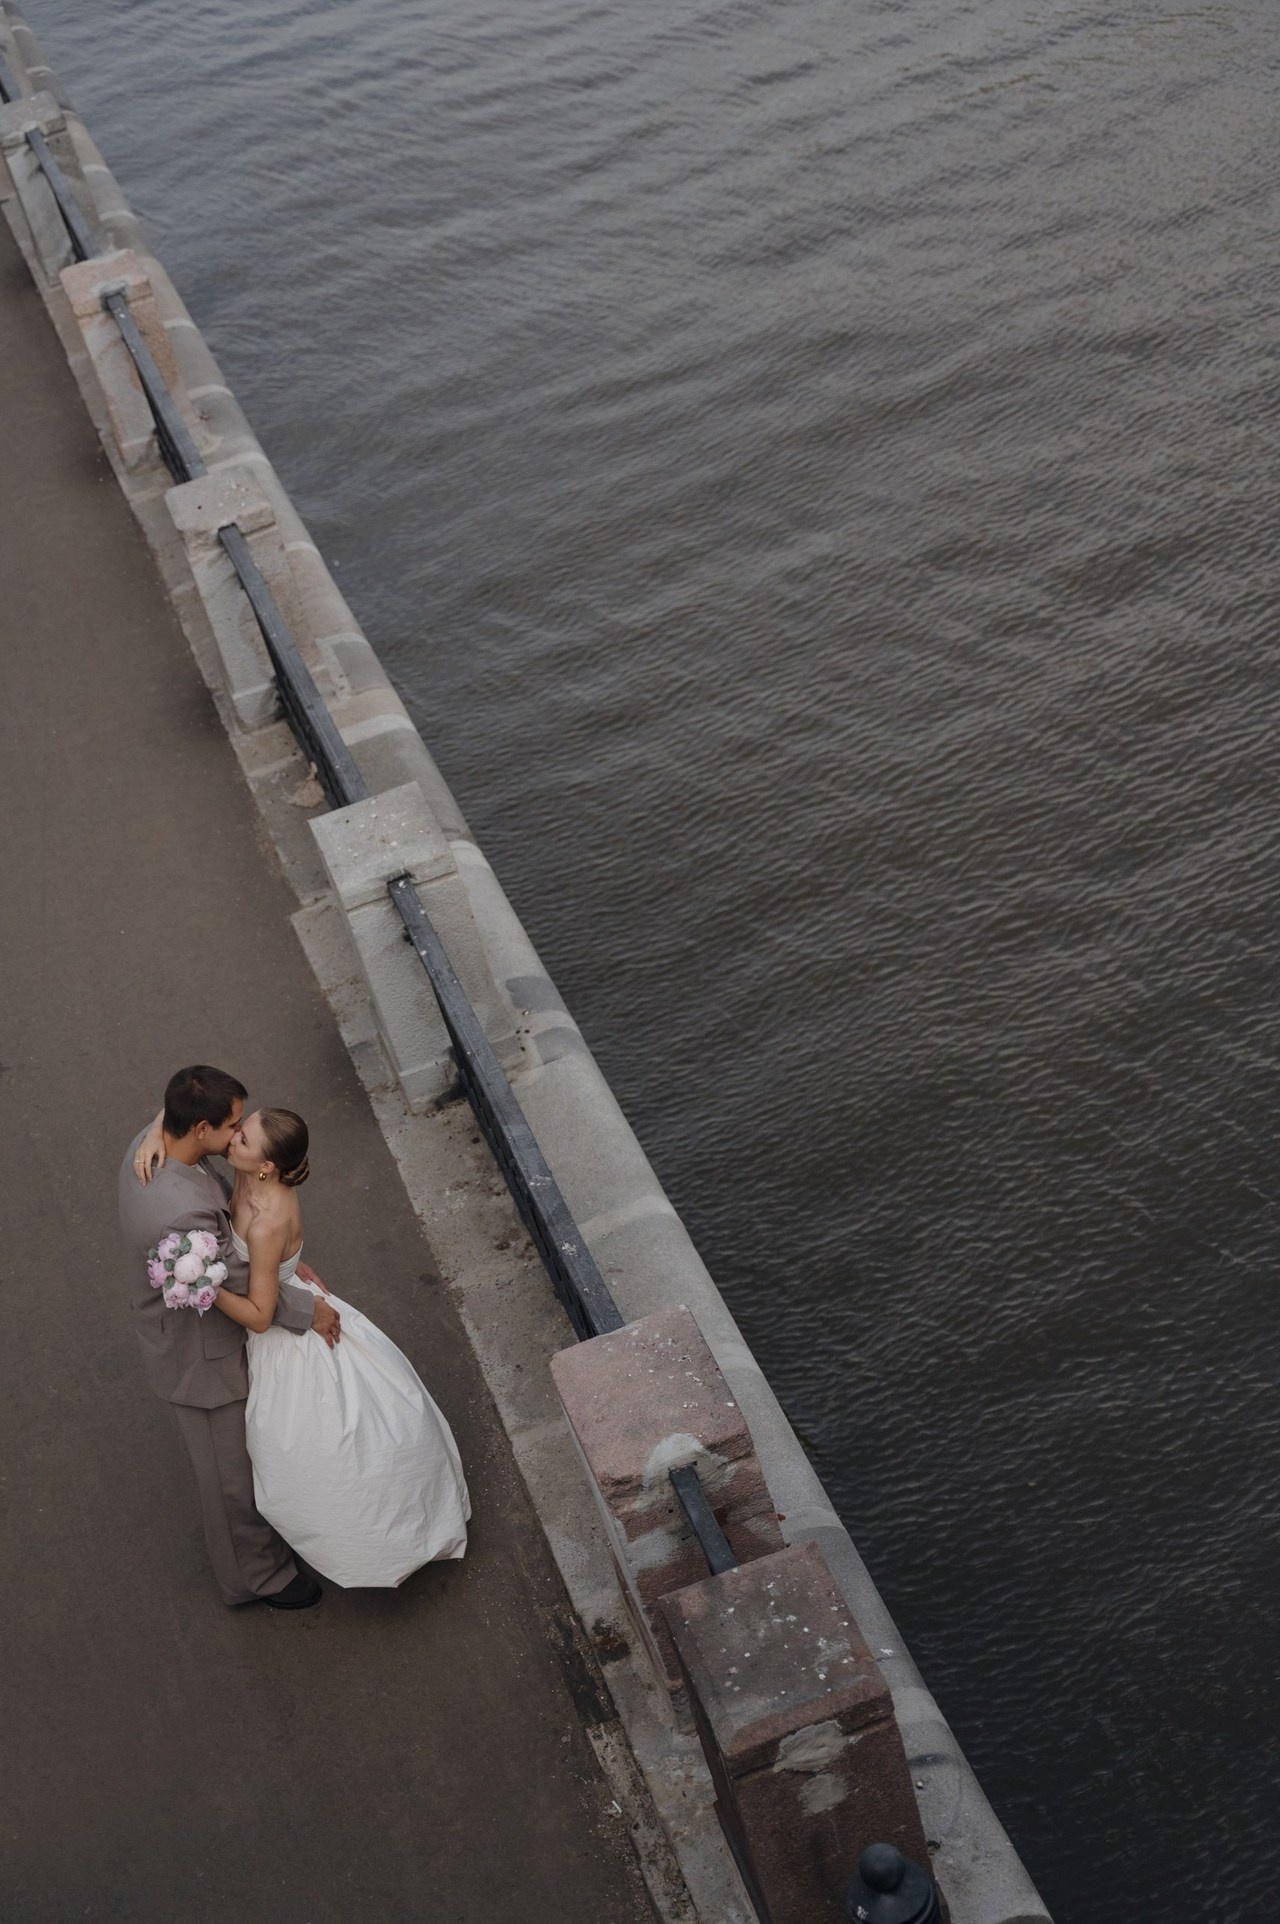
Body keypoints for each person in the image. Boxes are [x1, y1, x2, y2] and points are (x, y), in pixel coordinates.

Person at [134, 1101, 470, 1586]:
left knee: (317, 1448)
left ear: (267, 1166)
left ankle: (376, 1542)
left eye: (243, 1139)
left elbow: (260, 1314)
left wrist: (201, 1284)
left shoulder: (268, 1223)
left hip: (280, 1332)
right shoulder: (248, 1174)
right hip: (279, 1290)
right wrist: (156, 1130)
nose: (232, 1139)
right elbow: (190, 1115)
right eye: (240, 1129)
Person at [119, 1065, 339, 1610]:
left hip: (188, 1334)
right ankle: (256, 1579)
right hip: (199, 1359)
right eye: (233, 1125)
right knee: (229, 1480)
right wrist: (306, 1309)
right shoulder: (182, 1212)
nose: (237, 1133)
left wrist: (153, 1128)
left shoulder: (145, 1149)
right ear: (199, 1129)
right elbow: (231, 1281)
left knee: (243, 1461)